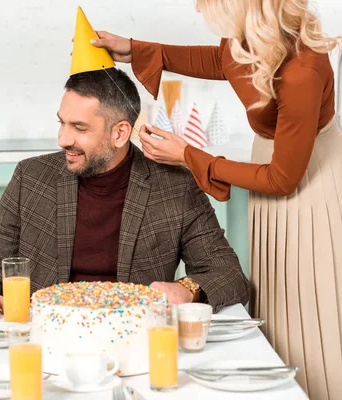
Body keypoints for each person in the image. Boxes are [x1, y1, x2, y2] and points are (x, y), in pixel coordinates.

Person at [92, 1, 342, 398]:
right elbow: (222, 61)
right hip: (275, 173)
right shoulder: (250, 39)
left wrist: (189, 156)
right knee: (278, 308)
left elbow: (282, 177)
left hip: (306, 186)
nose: (199, 10)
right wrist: (137, 48)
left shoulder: (302, 71)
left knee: (306, 311)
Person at [0, 67, 249, 324]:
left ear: (120, 133)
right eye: (62, 122)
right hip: (43, 333)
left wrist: (186, 289)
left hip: (133, 337)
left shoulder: (176, 187)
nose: (63, 139)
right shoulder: (30, 177)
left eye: (79, 128)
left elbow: (229, 275)